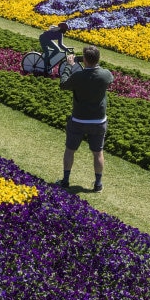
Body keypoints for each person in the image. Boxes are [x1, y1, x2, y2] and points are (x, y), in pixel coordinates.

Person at [58, 45, 113, 192]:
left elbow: (63, 84)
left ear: (85, 60)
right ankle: (98, 184)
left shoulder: (78, 77)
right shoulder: (105, 75)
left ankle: (65, 181)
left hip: (78, 120)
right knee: (98, 153)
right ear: (98, 59)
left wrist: (70, 65)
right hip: (98, 121)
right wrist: (87, 60)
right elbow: (101, 71)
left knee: (70, 150)